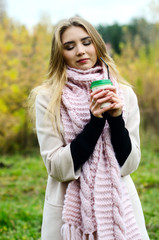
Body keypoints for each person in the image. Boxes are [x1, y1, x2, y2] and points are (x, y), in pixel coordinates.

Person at [29, 16, 150, 240]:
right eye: (69, 46)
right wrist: (95, 123)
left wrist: (115, 119)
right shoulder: (48, 97)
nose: (81, 51)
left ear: (97, 45)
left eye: (86, 42)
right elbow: (56, 167)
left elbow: (130, 163)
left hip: (120, 209)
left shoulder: (124, 93)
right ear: (60, 53)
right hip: (69, 217)